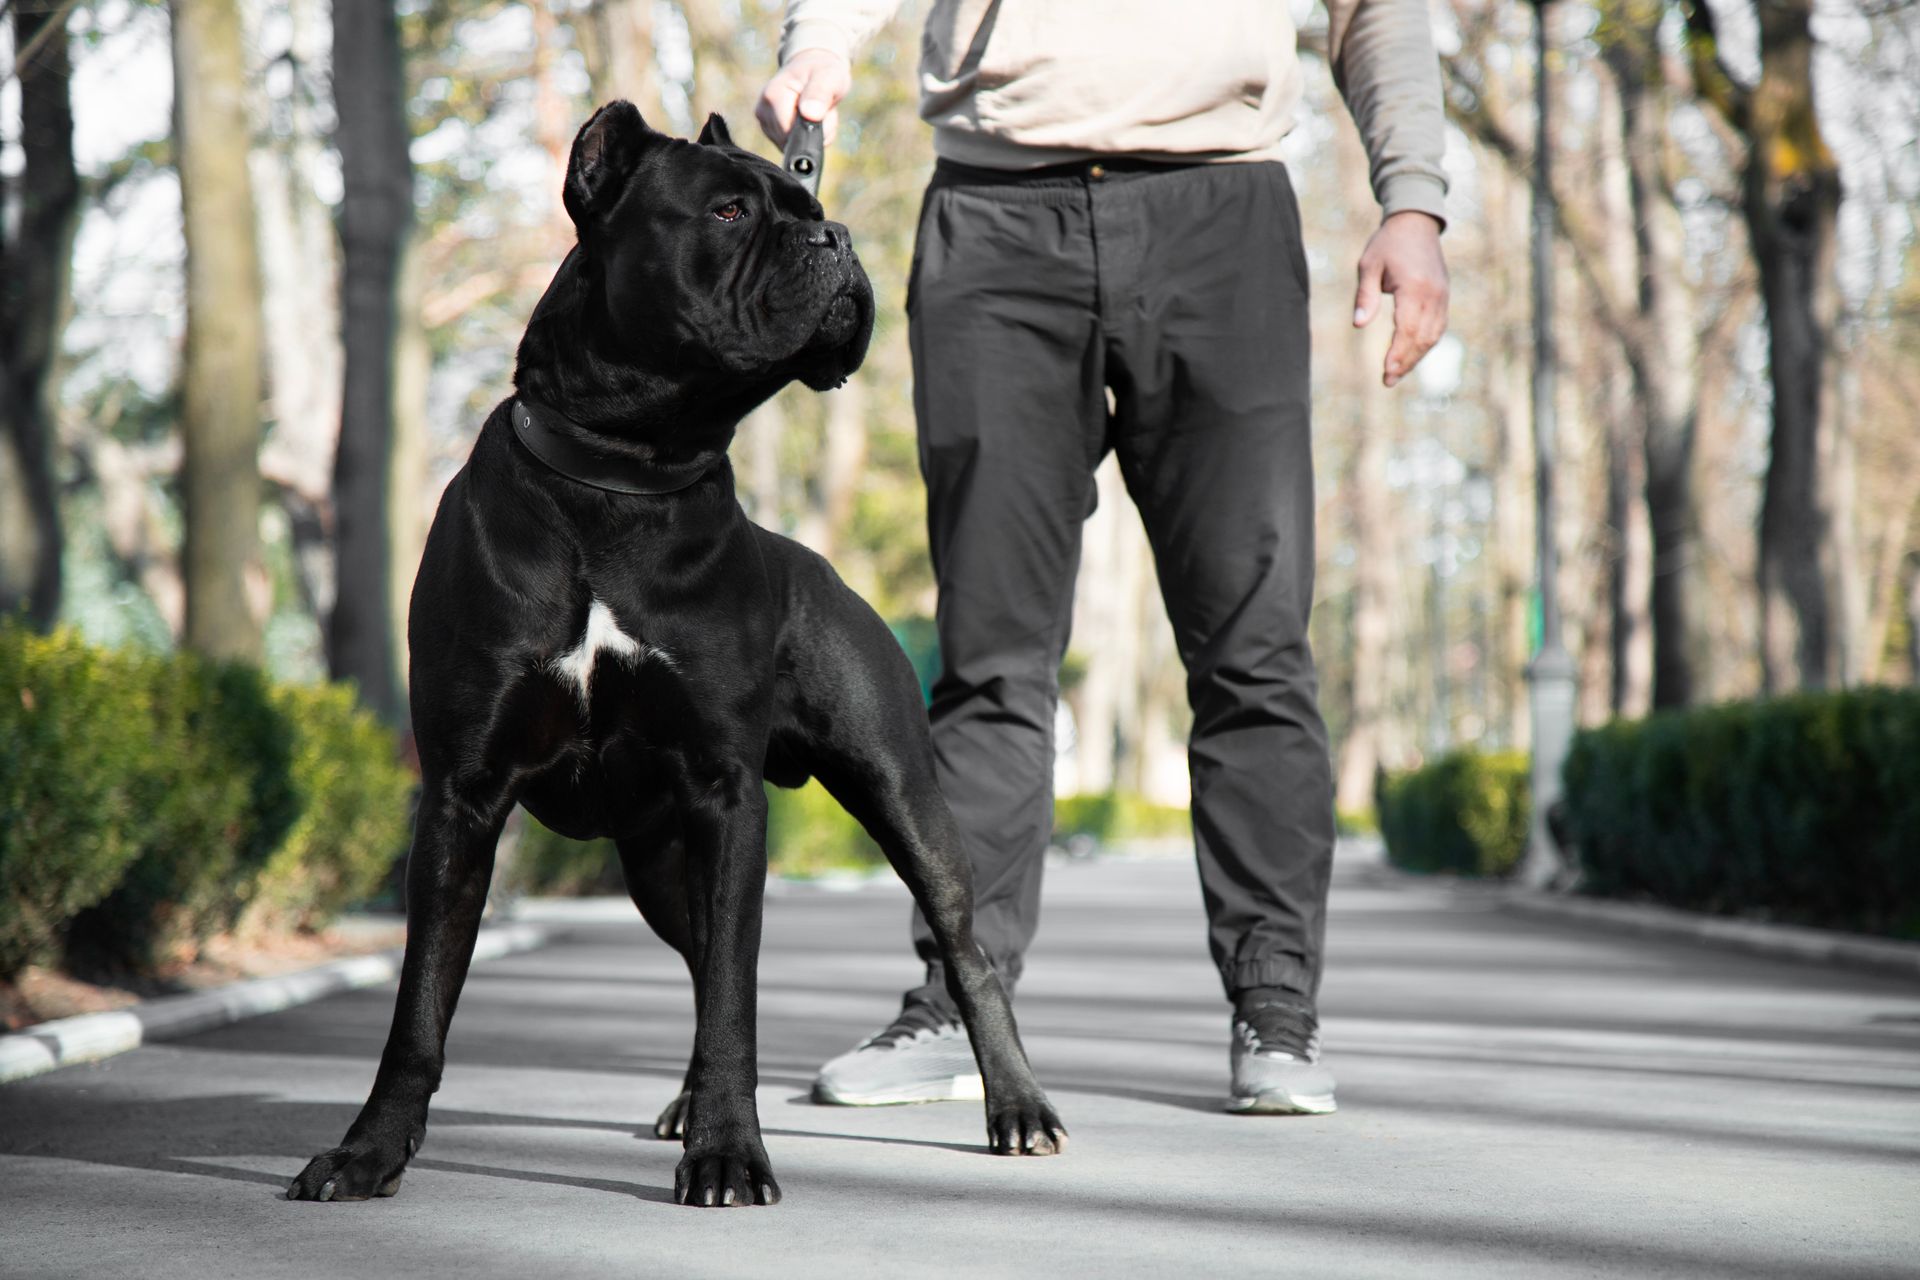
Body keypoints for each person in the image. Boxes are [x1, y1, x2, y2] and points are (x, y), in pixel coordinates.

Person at [756, 0, 1450, 1115]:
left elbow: (1376, 14)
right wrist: (820, 43)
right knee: (990, 661)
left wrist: (1412, 200)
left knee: (1254, 649)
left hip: (1221, 214)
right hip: (996, 217)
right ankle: (953, 1005)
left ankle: (1277, 1013)